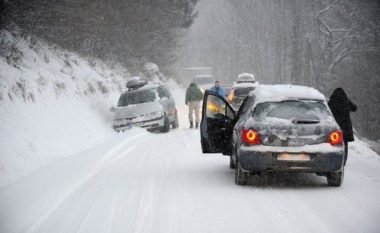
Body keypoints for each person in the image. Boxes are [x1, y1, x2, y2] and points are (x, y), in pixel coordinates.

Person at [328, 88, 357, 166]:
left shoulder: (331, 102)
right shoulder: (346, 101)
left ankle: (334, 159)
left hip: (335, 125)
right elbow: (355, 108)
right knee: (345, 143)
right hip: (345, 126)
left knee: (334, 143)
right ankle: (344, 161)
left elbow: (327, 110)